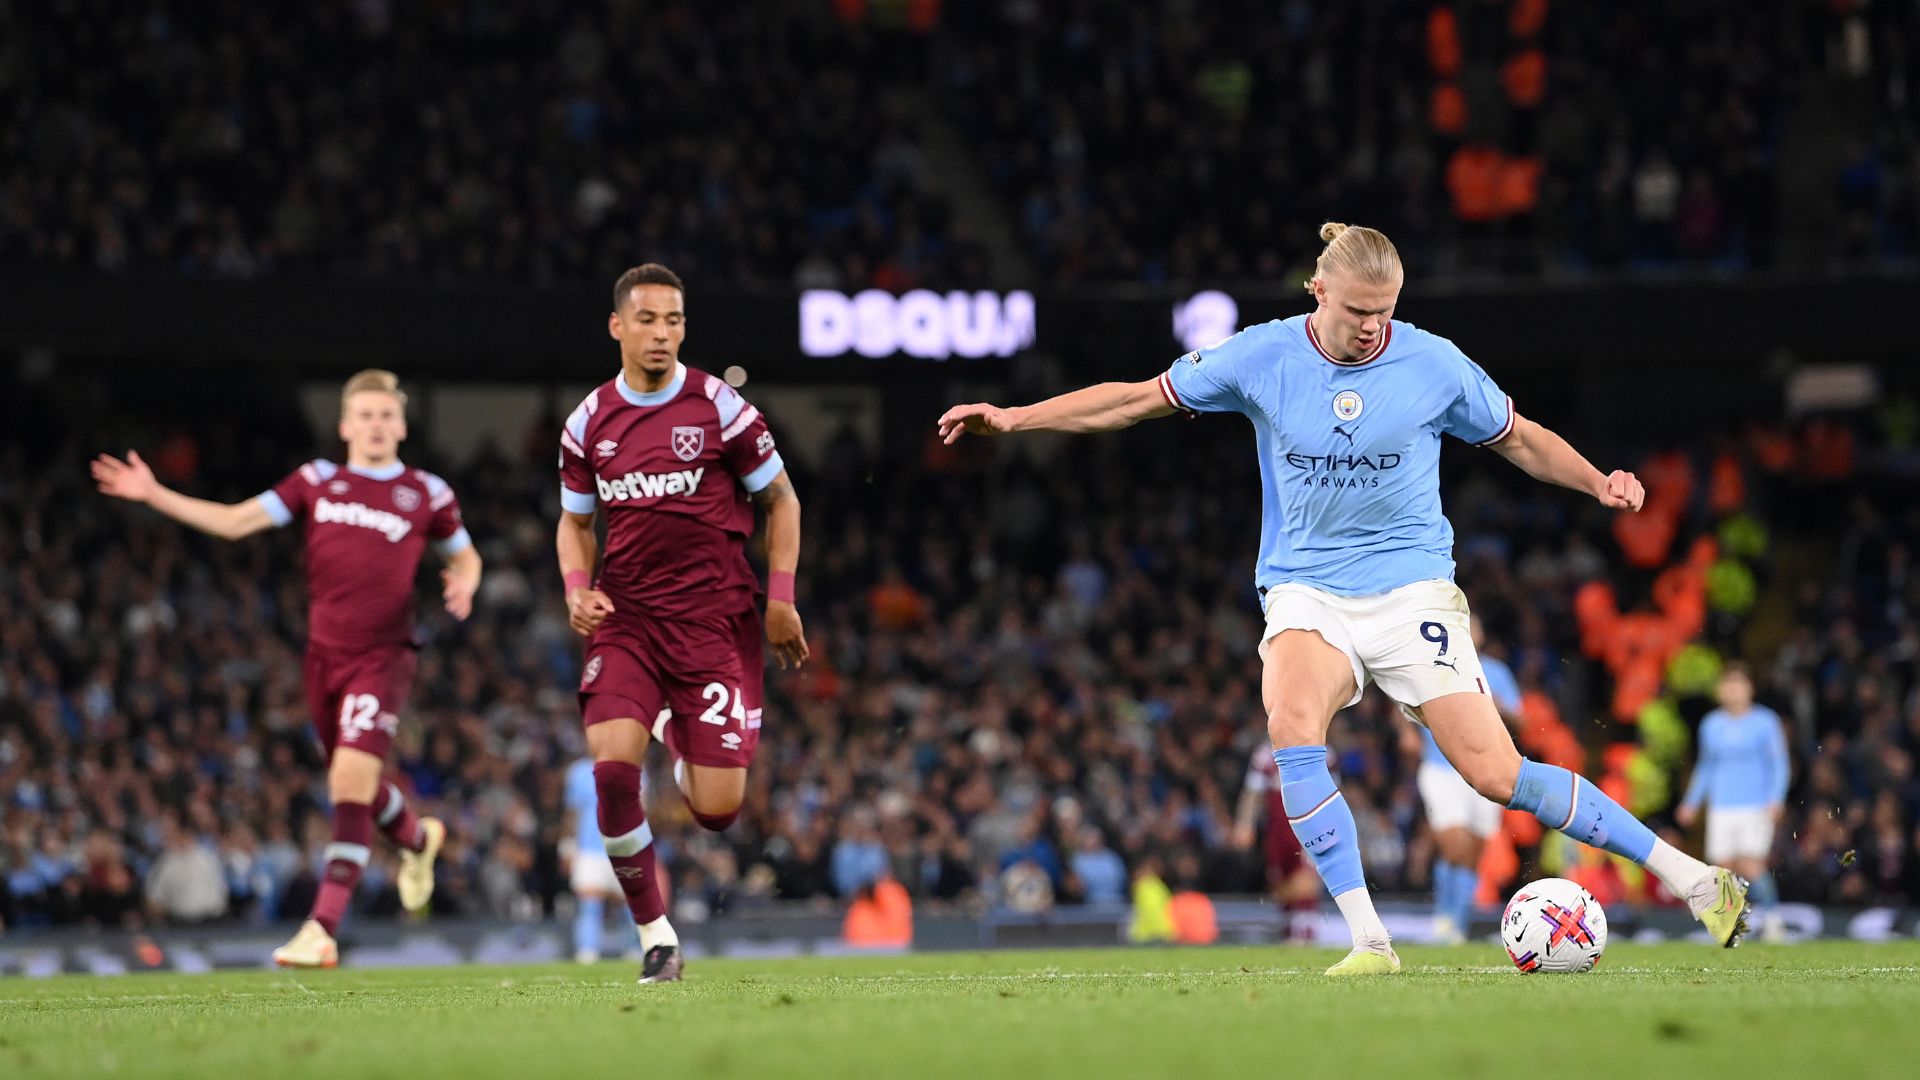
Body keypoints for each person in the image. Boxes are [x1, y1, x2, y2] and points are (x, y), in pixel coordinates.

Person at [938, 222, 1751, 975]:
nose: (1372, 327)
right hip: (1306, 591)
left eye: (1385, 312)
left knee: (1498, 776)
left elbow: (1520, 436)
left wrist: (1596, 479)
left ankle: (1693, 880)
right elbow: (1132, 399)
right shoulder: (1261, 356)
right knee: (1291, 725)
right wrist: (1013, 418)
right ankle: (1370, 938)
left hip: (1413, 593)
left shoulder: (1434, 363)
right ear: (1317, 293)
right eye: (1359, 310)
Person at [93, 369, 478, 967]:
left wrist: (465, 583)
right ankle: (417, 839)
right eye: (366, 416)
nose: (377, 425)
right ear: (346, 425)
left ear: (401, 426)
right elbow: (235, 521)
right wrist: (155, 494)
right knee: (360, 783)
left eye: (386, 416)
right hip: (323, 659)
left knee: (347, 782)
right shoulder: (318, 481)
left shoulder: (427, 492)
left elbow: (465, 553)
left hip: (385, 655)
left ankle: (320, 929)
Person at [557, 263, 808, 984]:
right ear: (617, 327)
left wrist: (781, 597)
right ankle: (656, 937)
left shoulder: (719, 407)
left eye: (674, 321)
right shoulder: (588, 422)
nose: (661, 333)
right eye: (647, 320)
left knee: (717, 811)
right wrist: (577, 586)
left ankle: (672, 728)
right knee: (611, 777)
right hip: (626, 619)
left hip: (714, 624)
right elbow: (574, 526)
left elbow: (782, 502)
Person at [1409, 616, 1522, 944]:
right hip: (1441, 768)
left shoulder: (1496, 672)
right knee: (1454, 843)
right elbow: (1401, 701)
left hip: (1485, 769)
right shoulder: (1432, 665)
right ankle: (1444, 919)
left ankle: (1455, 924)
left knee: (1473, 853)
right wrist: (1408, 733)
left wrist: (1496, 704)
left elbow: (1520, 717)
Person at [1677, 664, 1790, 940]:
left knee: (1751, 864)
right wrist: (1691, 802)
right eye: (1727, 685)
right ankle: (1732, 925)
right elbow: (1706, 766)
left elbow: (1779, 764)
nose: (1732, 690)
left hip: (1755, 805)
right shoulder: (1711, 724)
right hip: (1721, 806)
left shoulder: (1766, 722)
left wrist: (1776, 798)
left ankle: (1774, 920)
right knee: (1723, 869)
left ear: (1750, 689)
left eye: (1738, 684)